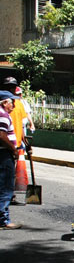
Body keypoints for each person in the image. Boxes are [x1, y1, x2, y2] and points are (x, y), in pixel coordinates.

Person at [0, 91, 21, 230]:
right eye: (11, 102)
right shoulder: (3, 116)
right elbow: (1, 135)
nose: (13, 105)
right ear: (4, 103)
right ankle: (4, 220)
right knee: (6, 187)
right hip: (4, 155)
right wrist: (13, 150)